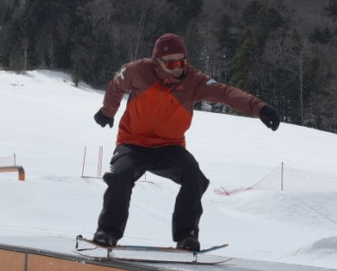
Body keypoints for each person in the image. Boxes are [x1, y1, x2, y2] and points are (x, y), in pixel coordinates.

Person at [91, 32, 280, 251]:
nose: (178, 68)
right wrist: (107, 112)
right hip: (133, 143)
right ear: (157, 62)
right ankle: (107, 232)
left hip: (169, 147)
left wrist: (260, 108)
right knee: (120, 176)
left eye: (182, 62)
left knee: (194, 177)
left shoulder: (194, 80)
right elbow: (116, 85)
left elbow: (225, 93)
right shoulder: (136, 71)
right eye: (172, 63)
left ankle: (187, 235)